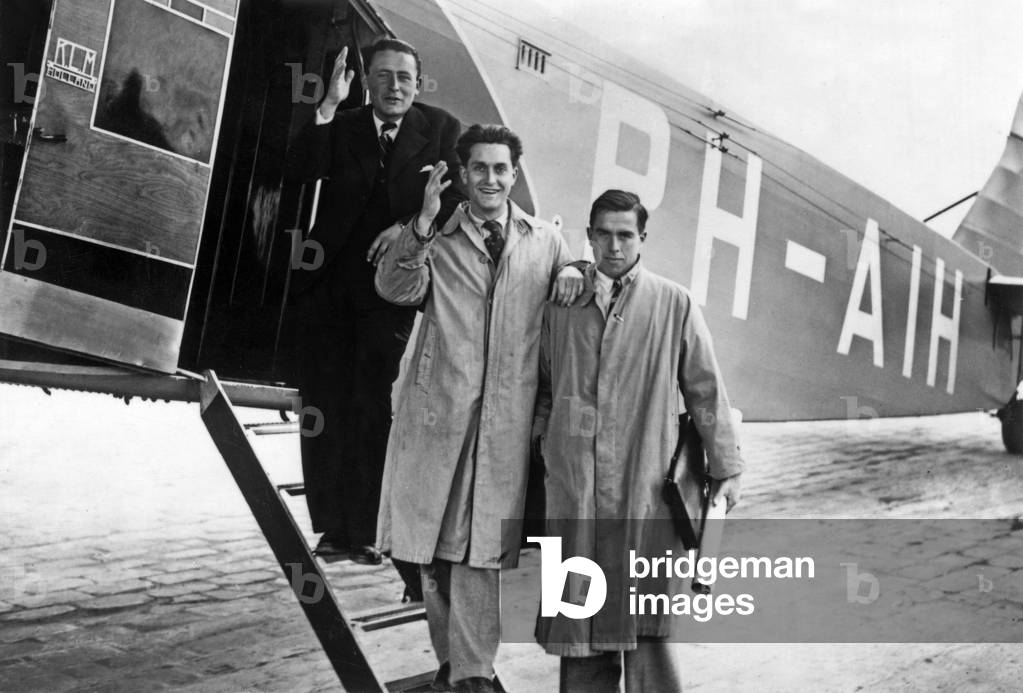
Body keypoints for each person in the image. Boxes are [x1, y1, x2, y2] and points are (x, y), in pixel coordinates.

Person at [374, 124, 582, 693]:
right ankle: (456, 667)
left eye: (501, 169)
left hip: (505, 426)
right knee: (432, 549)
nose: (491, 179)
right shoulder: (436, 237)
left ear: (514, 174)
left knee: (480, 550)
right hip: (438, 415)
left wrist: (571, 270)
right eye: (480, 169)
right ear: (462, 175)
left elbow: (577, 295)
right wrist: (419, 224)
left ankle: (472, 672)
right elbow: (394, 288)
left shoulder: (545, 241)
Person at [532, 189, 745, 692]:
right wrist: (547, 445)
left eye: (625, 234)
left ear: (642, 239)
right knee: (579, 627)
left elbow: (705, 389)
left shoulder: (673, 303)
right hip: (575, 489)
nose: (613, 246)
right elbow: (540, 385)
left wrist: (729, 468)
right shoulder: (562, 303)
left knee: (647, 629)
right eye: (602, 234)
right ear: (588, 237)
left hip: (644, 488)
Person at [285, 38, 463, 569]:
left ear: (418, 82)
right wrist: (329, 105)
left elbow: (455, 198)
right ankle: (331, 529)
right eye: (383, 77)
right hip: (330, 288)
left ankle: (363, 529)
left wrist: (408, 227)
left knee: (372, 407)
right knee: (323, 402)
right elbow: (300, 167)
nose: (394, 88)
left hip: (391, 295)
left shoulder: (441, 130)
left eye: (404, 78)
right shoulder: (347, 123)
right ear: (369, 82)